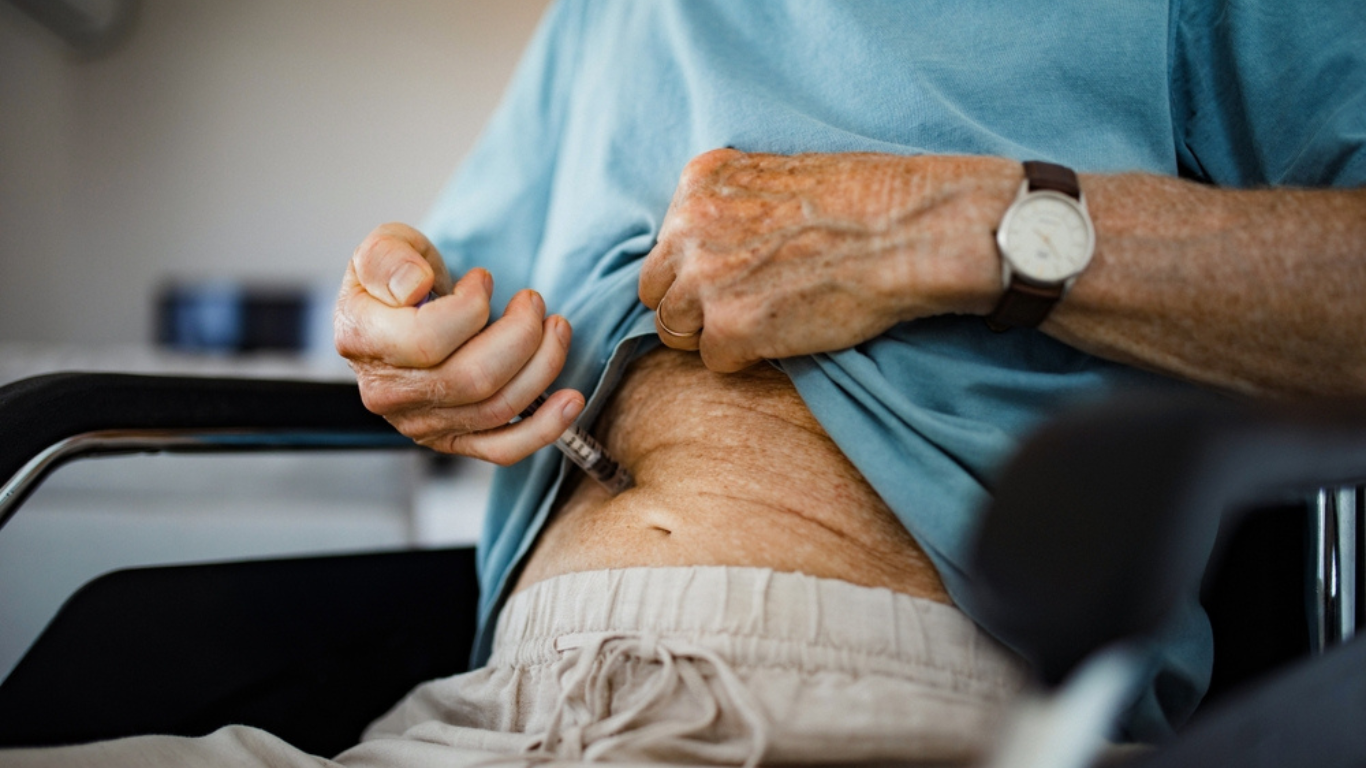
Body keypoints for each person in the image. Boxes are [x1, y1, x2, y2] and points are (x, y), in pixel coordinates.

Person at [4, 1, 1363, 766]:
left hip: (894, 707)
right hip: (479, 714)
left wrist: (949, 226)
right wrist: (398, 319)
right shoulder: (604, 16)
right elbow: (424, 287)